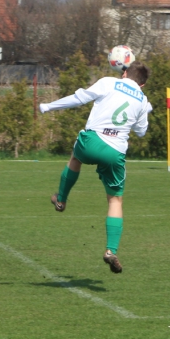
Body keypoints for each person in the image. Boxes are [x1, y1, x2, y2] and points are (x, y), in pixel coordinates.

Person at [40, 61, 152, 274]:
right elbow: (141, 132)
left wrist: (48, 106)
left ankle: (61, 199)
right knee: (115, 200)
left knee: (75, 158)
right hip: (115, 152)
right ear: (143, 84)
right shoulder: (142, 99)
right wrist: (145, 109)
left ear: (124, 74)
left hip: (92, 142)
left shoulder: (109, 82)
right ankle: (111, 250)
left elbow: (79, 98)